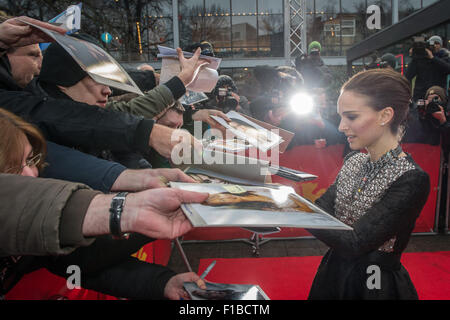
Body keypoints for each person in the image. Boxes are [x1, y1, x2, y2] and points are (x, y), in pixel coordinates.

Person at [0, 108, 208, 299]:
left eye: (30, 160)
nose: (29, 175)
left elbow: (76, 263)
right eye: (10, 171)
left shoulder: (39, 227)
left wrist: (162, 282)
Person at [0, 16, 202, 164]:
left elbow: (118, 126)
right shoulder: (36, 122)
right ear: (62, 82)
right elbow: (126, 114)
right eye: (97, 80)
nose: (108, 91)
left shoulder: (98, 115)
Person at [306, 68, 430, 300]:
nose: (342, 126)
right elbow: (321, 208)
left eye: (351, 117)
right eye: (341, 117)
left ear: (385, 116)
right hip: (333, 274)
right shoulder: (353, 160)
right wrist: (301, 210)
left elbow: (355, 242)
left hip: (374, 285)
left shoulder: (411, 178)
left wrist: (296, 211)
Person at [406, 35, 450, 101]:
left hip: (437, 94)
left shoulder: (445, 57)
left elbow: (448, 69)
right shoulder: (420, 59)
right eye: (432, 43)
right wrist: (414, 57)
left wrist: (433, 58)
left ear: (441, 45)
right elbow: (408, 76)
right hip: (420, 95)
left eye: (437, 43)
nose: (434, 45)